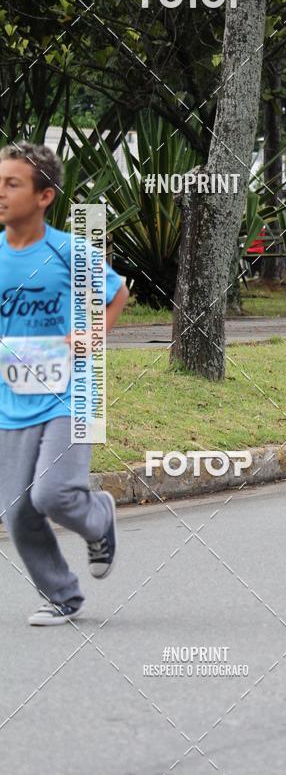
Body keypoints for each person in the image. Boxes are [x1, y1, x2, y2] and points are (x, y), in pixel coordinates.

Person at [0, 142, 129, 625]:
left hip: (72, 395)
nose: (1, 192)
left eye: (12, 184)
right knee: (16, 511)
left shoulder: (68, 251)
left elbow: (117, 294)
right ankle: (61, 596)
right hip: (12, 400)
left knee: (51, 494)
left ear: (44, 196)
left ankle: (98, 517)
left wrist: (93, 334)